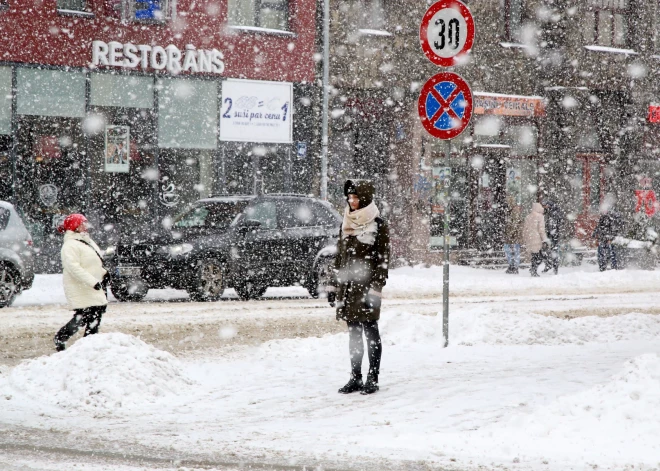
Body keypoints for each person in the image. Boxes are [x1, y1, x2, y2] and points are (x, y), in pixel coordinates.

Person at [327, 179, 390, 395]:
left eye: (355, 197)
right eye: (349, 197)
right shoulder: (346, 224)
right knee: (354, 334)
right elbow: (339, 258)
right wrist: (333, 286)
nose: (351, 201)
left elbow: (382, 261)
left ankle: (373, 377)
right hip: (347, 288)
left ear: (364, 198)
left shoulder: (378, 225)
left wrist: (376, 288)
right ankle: (355, 377)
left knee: (370, 331)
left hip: (367, 288)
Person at [53, 214, 109, 352]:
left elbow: (94, 261)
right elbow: (73, 268)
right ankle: (61, 337)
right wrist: (92, 282)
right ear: (74, 226)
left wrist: (104, 274)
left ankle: (89, 345)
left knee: (96, 313)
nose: (85, 226)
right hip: (82, 287)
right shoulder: (70, 245)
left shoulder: (85, 241)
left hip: (93, 286)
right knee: (84, 316)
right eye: (82, 223)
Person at [523, 202, 549, 277]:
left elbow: (525, 229)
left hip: (530, 238)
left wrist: (525, 238)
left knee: (533, 255)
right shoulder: (540, 217)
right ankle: (534, 269)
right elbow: (541, 230)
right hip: (537, 238)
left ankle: (533, 269)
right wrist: (544, 239)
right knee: (538, 255)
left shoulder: (528, 217)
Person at [593, 207, 622, 271]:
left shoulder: (605, 220)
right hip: (607, 239)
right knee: (611, 254)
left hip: (605, 239)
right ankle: (612, 267)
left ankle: (603, 267)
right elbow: (614, 230)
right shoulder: (611, 220)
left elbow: (598, 228)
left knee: (603, 254)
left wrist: (596, 235)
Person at [541, 199, 565, 274]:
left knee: (553, 251)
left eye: (545, 206)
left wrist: (552, 233)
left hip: (554, 235)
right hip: (551, 234)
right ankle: (549, 265)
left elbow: (555, 224)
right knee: (546, 251)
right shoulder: (551, 211)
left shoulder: (554, 212)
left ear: (548, 205)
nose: (544, 207)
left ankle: (554, 268)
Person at [503, 197, 523, 274]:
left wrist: (509, 234)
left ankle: (513, 266)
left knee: (512, 251)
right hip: (514, 236)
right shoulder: (512, 212)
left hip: (513, 236)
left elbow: (514, 225)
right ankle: (513, 266)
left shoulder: (514, 212)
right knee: (513, 251)